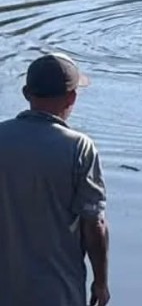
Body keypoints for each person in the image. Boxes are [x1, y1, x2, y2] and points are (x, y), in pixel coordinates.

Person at [0, 53, 110, 306]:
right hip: (58, 290)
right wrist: (101, 282)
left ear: (26, 93)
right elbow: (94, 224)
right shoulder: (79, 147)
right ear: (72, 97)